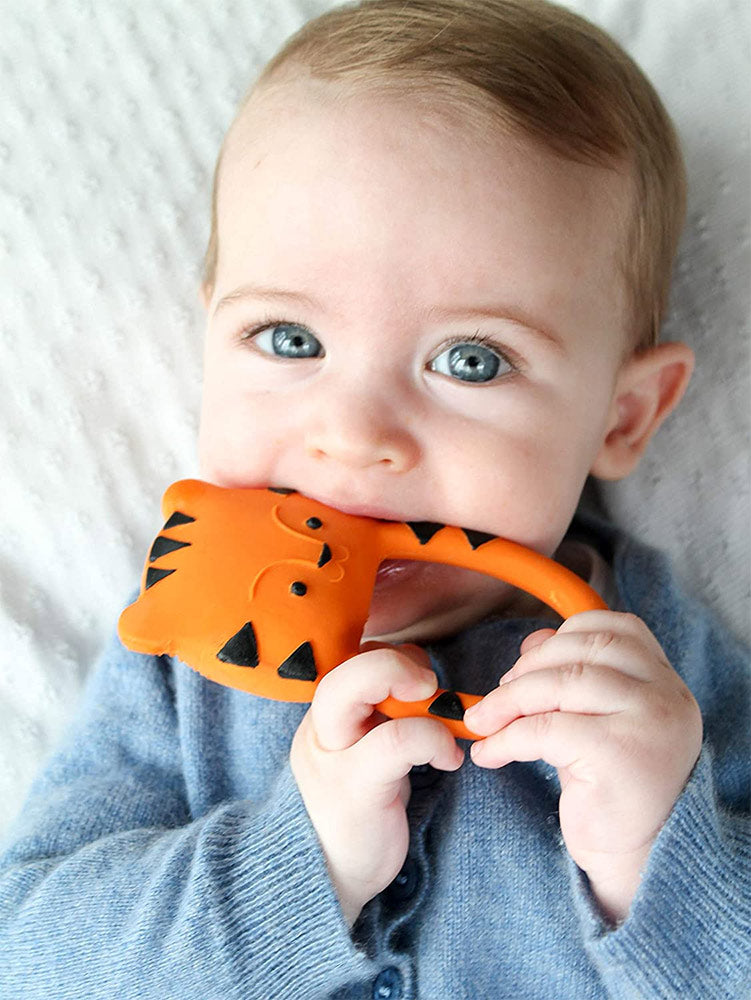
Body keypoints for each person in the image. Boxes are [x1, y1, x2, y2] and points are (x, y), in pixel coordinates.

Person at [1, 1, 749, 997]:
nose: (354, 435)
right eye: (289, 340)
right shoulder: (184, 662)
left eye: (470, 360)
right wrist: (299, 864)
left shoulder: (659, 673)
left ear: (621, 416)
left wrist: (661, 861)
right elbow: (32, 958)